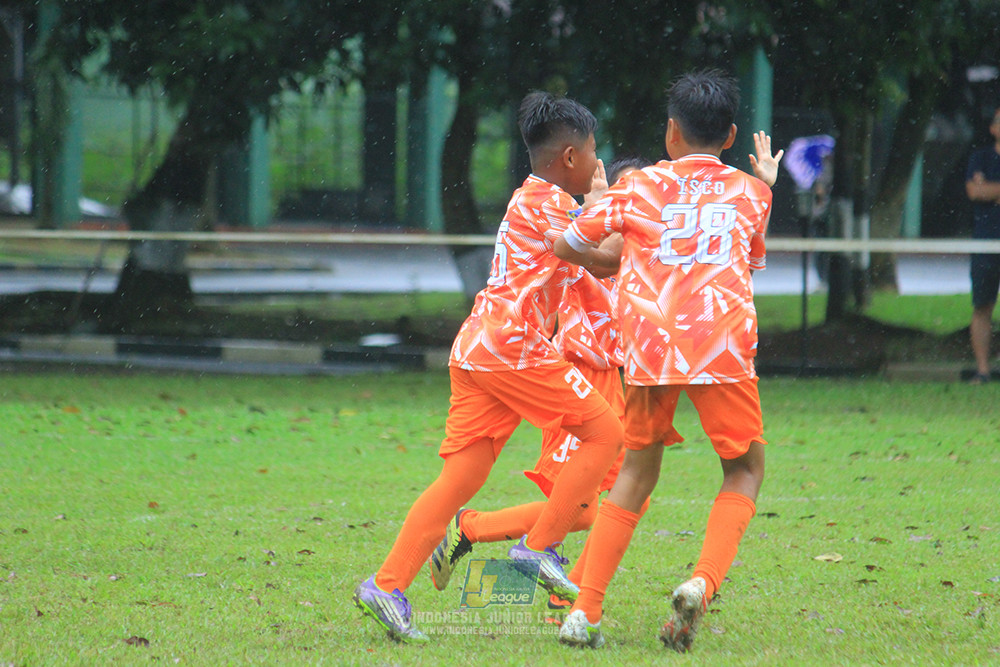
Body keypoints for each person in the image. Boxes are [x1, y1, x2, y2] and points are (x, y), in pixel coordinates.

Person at [352, 91, 625, 642]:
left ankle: (387, 584)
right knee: (604, 432)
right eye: (594, 152)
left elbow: (597, 274)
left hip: (477, 348)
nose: (599, 163)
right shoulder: (549, 201)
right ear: (570, 158)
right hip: (510, 346)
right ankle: (538, 547)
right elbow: (611, 256)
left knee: (462, 478)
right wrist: (611, 205)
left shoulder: (540, 202)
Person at [551, 69, 781, 651]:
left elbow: (573, 245)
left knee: (634, 472)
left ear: (671, 131)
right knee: (745, 470)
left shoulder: (639, 187)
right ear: (730, 135)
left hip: (650, 348)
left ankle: (585, 610)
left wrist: (601, 219)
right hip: (723, 347)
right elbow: (747, 260)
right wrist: (766, 183)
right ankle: (702, 581)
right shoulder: (754, 193)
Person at [426, 158, 653, 610]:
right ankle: (474, 530)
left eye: (643, 193)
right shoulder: (586, 237)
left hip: (618, 382)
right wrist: (596, 210)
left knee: (633, 497)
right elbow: (582, 256)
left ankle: (565, 596)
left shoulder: (642, 245)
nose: (635, 201)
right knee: (582, 509)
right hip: (576, 374)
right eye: (626, 191)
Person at [965, 106, 1000, 385]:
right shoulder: (981, 158)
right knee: (982, 306)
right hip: (986, 242)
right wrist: (983, 190)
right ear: (992, 128)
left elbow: (984, 190)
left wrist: (991, 188)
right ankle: (983, 370)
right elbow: (975, 191)